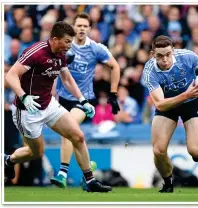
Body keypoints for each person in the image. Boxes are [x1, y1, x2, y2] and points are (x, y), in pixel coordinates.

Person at [4, 21, 112, 192]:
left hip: (49, 105)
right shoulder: (36, 52)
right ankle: (8, 160)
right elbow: (10, 75)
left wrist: (82, 100)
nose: (70, 45)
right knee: (36, 153)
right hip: (26, 111)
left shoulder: (61, 54)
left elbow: (67, 79)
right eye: (68, 41)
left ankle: (90, 182)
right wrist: (23, 96)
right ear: (54, 39)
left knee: (78, 136)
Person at [142, 35, 198, 193]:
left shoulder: (186, 56)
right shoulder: (150, 71)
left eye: (167, 54)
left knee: (196, 152)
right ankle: (168, 182)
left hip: (192, 103)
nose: (165, 59)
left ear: (173, 51)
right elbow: (159, 103)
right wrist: (186, 94)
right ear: (153, 54)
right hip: (168, 105)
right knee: (158, 150)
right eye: (159, 56)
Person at [50, 12, 120, 189]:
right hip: (63, 99)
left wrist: (113, 94)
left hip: (84, 101)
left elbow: (115, 66)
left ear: (89, 29)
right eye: (78, 25)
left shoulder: (96, 48)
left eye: (85, 26)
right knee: (74, 136)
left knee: (70, 127)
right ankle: (89, 169)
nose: (81, 29)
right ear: (73, 27)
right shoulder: (65, 46)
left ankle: (62, 174)